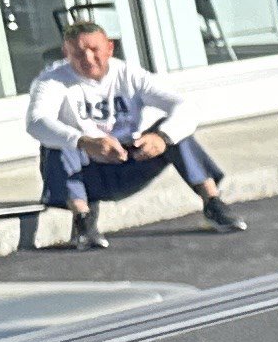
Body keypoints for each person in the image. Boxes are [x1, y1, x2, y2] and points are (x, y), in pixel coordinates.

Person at [25, 22, 247, 249]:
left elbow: (185, 106)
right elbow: (37, 123)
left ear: (110, 48)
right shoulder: (51, 80)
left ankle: (213, 203)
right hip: (85, 168)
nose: (88, 58)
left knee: (177, 133)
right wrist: (85, 142)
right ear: (66, 53)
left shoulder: (128, 74)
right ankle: (83, 221)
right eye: (79, 53)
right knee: (57, 143)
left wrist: (163, 138)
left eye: (95, 50)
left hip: (130, 160)